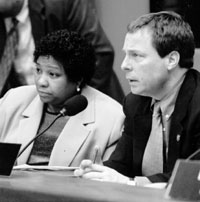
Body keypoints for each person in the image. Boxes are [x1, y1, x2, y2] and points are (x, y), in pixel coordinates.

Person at [74, 11, 200, 186]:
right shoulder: (135, 102)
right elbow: (122, 164)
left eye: (137, 56)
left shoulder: (197, 104)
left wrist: (131, 183)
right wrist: (100, 171)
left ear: (171, 60)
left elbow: (191, 178)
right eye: (126, 54)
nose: (124, 65)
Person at [0, 29, 124, 166]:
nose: (41, 82)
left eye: (53, 74)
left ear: (77, 79)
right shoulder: (13, 100)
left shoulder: (113, 118)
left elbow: (108, 179)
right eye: (38, 70)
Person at [0, 0, 124, 103]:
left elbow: (100, 54)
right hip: (31, 111)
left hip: (86, 105)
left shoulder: (61, 3)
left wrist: (75, 102)